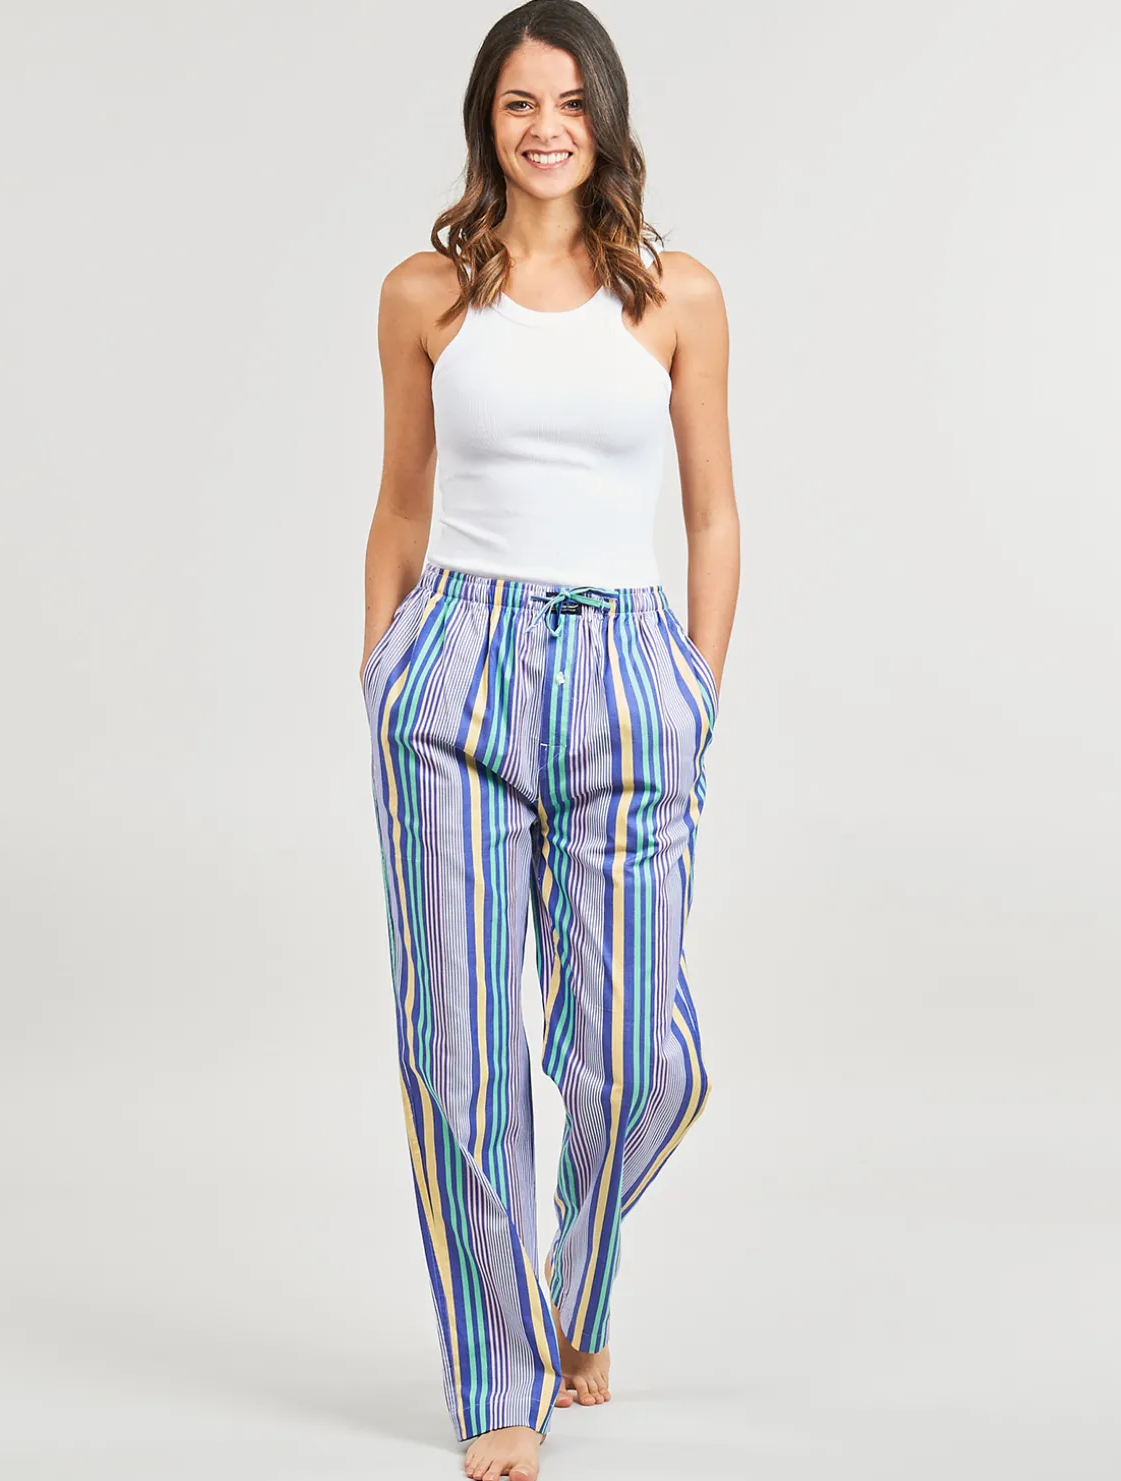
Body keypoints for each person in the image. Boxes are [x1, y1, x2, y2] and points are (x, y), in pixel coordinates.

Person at [359, 3, 739, 1477]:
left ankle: (572, 1287)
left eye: (570, 103)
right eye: (520, 102)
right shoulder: (424, 295)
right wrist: (384, 675)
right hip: (457, 667)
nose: (545, 128)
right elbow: (401, 504)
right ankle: (498, 1381)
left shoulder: (677, 296)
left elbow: (713, 514)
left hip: (627, 674)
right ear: (487, 121)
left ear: (606, 120)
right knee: (460, 1053)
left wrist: (694, 691)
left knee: (638, 1061)